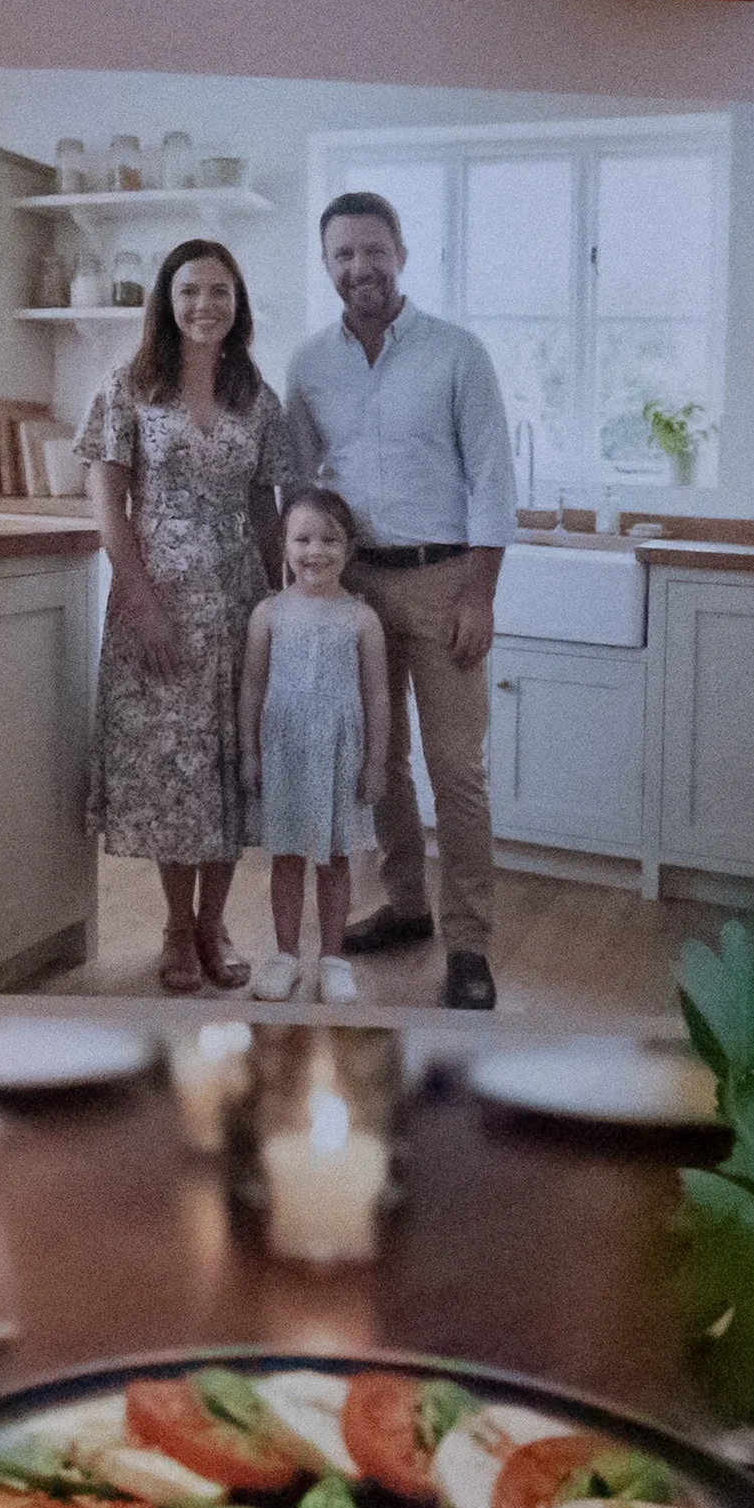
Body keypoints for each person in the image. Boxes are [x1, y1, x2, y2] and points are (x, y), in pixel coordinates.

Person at [275, 192, 516, 1008]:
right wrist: (306, 590)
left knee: (458, 770)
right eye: (342, 255)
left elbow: (493, 478)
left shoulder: (456, 353)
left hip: (446, 579)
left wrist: (480, 591)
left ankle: (470, 943)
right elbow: (304, 488)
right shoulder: (307, 365)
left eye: (372, 251)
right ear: (327, 264)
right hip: (355, 587)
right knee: (380, 763)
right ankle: (409, 908)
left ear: (402, 252)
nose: (359, 268)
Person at [78, 236, 302, 995]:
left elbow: (266, 510)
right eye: (190, 292)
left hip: (241, 604)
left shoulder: (256, 396)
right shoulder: (127, 388)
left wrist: (287, 604)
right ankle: (177, 926)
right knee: (173, 770)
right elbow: (108, 500)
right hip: (160, 600)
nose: (205, 304)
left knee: (228, 765)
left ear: (237, 306)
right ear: (166, 305)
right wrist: (140, 600)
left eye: (220, 292)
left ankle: (217, 923)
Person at [234, 486, 388, 1001]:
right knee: (287, 858)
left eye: (329, 540)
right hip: (286, 754)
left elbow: (378, 694)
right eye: (302, 539)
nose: (315, 551)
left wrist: (376, 761)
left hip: (340, 757)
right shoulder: (268, 614)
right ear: (283, 545)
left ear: (349, 548)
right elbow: (253, 686)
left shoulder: (362, 619)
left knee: (335, 859)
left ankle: (333, 957)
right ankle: (284, 955)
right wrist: (250, 752)